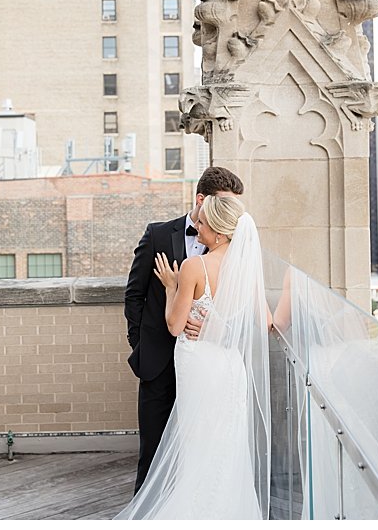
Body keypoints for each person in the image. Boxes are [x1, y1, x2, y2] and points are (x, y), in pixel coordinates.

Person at [116, 193, 271, 519]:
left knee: (196, 440)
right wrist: (223, 330)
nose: (196, 225)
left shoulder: (193, 266)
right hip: (229, 367)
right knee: (227, 444)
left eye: (201, 221)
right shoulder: (246, 268)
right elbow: (266, 323)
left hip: (199, 366)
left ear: (216, 230)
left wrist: (172, 288)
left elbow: (174, 325)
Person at [123, 166, 243, 492]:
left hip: (206, 367)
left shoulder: (237, 255)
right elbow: (134, 294)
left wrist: (217, 328)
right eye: (222, 205)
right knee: (153, 450)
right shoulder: (158, 235)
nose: (229, 215)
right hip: (159, 362)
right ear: (201, 199)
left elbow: (247, 314)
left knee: (202, 445)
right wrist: (140, 345)